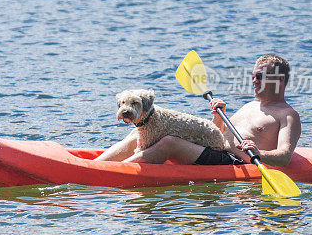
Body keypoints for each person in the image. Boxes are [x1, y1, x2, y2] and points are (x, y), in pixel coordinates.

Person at [99, 55, 301, 166]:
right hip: (215, 151)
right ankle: (95, 164)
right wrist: (218, 118)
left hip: (234, 162)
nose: (254, 80)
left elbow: (284, 156)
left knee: (169, 142)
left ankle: (114, 171)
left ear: (280, 80)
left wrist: (260, 154)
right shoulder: (249, 106)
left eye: (260, 76)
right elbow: (218, 136)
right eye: (253, 76)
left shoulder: (287, 115)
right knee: (142, 130)